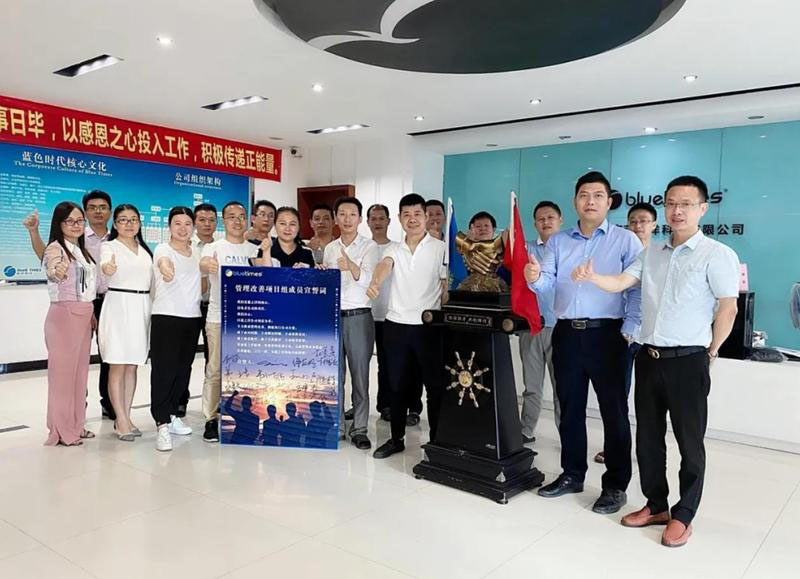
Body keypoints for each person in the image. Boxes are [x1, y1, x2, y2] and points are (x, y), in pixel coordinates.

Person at [571, 175, 739, 547]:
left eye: (686, 204)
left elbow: (728, 308)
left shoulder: (716, 254)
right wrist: (593, 277)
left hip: (689, 360)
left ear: (702, 208)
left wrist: (711, 351)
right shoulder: (651, 253)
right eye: (671, 203)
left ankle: (684, 513)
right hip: (648, 357)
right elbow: (621, 282)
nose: (677, 211)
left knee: (689, 442)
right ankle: (656, 504)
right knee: (648, 439)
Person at [526, 171, 642, 515]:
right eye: (583, 195)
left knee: (613, 412)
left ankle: (615, 485)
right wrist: (534, 278)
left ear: (609, 201)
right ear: (575, 200)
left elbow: (637, 290)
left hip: (609, 335)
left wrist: (629, 329)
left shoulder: (625, 241)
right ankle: (572, 474)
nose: (590, 201)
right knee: (570, 408)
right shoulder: (559, 242)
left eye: (597, 195)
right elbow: (546, 283)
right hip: (566, 333)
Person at [23, 190, 115, 419]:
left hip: (104, 303)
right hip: (73, 308)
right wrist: (35, 234)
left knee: (104, 358)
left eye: (103, 207)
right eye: (92, 208)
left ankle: (104, 406)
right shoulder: (70, 241)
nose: (98, 211)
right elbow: (50, 260)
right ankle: (72, 416)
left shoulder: (113, 238)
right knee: (69, 366)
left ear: (110, 211)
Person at [368, 193, 447, 459]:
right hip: (396, 326)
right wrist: (376, 282)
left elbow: (445, 285)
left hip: (428, 327)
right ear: (400, 219)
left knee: (434, 387)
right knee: (396, 385)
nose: (412, 219)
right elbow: (384, 266)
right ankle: (396, 439)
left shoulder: (440, 248)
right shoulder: (393, 249)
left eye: (417, 214)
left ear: (426, 217)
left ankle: (436, 442)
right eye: (406, 215)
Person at [199, 201, 275, 443]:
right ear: (224, 220)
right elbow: (203, 264)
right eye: (232, 216)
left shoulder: (253, 250)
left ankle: (242, 418)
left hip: (248, 322)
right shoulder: (213, 247)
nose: (237, 221)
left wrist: (266, 252)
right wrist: (208, 265)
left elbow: (268, 274)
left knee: (245, 372)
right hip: (218, 319)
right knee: (215, 370)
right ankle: (211, 419)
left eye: (242, 216)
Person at [595, 201, 658, 464]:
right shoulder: (621, 252)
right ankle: (615, 448)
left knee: (649, 398)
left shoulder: (660, 255)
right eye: (633, 221)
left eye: (643, 221)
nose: (638, 225)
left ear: (654, 225)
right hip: (620, 335)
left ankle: (646, 449)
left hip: (650, 337)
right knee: (617, 395)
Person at [323, 197, 380, 449]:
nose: (347, 219)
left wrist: (351, 266)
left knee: (360, 376)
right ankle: (336, 426)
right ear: (336, 218)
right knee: (334, 376)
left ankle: (359, 429)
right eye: (343, 214)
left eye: (352, 214)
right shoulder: (330, 248)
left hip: (359, 317)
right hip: (332, 317)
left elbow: (369, 279)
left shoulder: (370, 246)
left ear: (359, 219)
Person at [41, 201, 98, 446]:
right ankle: (61, 430)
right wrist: (58, 270)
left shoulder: (82, 250)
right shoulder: (56, 248)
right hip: (64, 315)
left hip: (84, 315)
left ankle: (76, 425)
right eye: (70, 221)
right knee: (62, 377)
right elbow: (53, 270)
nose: (76, 225)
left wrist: (92, 313)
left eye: (79, 220)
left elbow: (88, 287)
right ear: (59, 223)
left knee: (79, 375)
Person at [98, 204, 154, 442]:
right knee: (117, 364)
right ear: (115, 223)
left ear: (140, 223)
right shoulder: (109, 246)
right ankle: (120, 419)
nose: (129, 224)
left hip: (142, 307)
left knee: (132, 365)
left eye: (133, 219)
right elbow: (105, 264)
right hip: (119, 306)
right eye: (123, 219)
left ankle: (127, 416)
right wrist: (107, 267)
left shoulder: (144, 250)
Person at [149, 206, 203, 452]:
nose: (183, 228)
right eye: (177, 223)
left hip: (192, 317)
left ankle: (172, 416)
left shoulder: (197, 253)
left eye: (187, 224)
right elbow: (164, 263)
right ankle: (161, 423)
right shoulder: (163, 249)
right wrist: (166, 269)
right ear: (169, 226)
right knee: (164, 371)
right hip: (166, 317)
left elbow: (201, 283)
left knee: (183, 370)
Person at [518, 201, 563, 446]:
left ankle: (566, 434)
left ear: (560, 220)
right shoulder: (526, 250)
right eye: (541, 219)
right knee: (532, 385)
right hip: (531, 328)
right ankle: (526, 430)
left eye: (550, 217)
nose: (546, 222)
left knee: (562, 387)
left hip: (561, 329)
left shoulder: (568, 248)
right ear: (535, 223)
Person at [179, 202, 218, 418]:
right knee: (185, 356)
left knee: (213, 359)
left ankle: (211, 403)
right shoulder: (186, 246)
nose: (207, 224)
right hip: (190, 307)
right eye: (202, 220)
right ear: (194, 222)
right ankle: (180, 400)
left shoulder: (221, 247)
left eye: (211, 220)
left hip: (214, 308)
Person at [366, 203, 398, 422]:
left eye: (381, 218)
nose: (377, 222)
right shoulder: (363, 247)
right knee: (359, 365)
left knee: (387, 363)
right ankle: (358, 407)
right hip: (364, 314)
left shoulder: (396, 248)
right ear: (367, 222)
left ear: (388, 221)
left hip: (389, 315)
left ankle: (386, 405)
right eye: (373, 219)